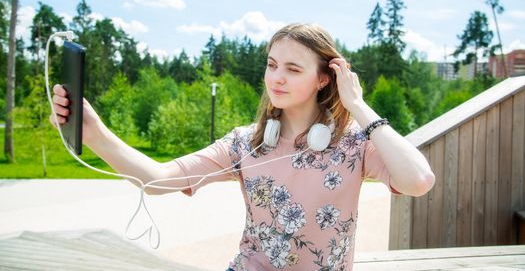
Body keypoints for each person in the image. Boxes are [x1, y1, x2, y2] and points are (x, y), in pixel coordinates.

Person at [50, 23, 435, 271]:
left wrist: (359, 106)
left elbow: (418, 180)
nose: (277, 78)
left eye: (293, 69)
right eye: (272, 65)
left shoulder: (353, 143)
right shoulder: (246, 142)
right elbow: (158, 179)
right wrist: (95, 133)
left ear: (323, 79)